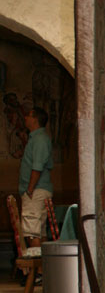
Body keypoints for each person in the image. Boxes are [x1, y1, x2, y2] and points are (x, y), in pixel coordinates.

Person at [19, 106, 53, 247]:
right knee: (40, 232)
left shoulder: (39, 139)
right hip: (38, 190)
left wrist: (30, 190)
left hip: (35, 191)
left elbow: (37, 166)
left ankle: (37, 268)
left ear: (35, 119)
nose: (25, 118)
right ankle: (42, 269)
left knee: (32, 233)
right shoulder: (38, 139)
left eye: (28, 116)